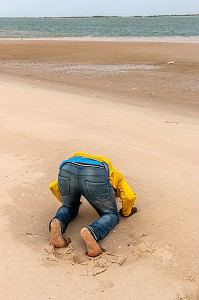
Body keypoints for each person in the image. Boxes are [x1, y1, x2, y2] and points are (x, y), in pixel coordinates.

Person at [49, 152, 137, 257]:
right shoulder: (116, 175)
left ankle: (57, 222)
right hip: (96, 172)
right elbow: (129, 197)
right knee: (111, 214)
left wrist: (70, 203)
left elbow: (53, 186)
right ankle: (92, 232)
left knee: (68, 207)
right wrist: (125, 212)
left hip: (67, 167)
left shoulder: (81, 158)